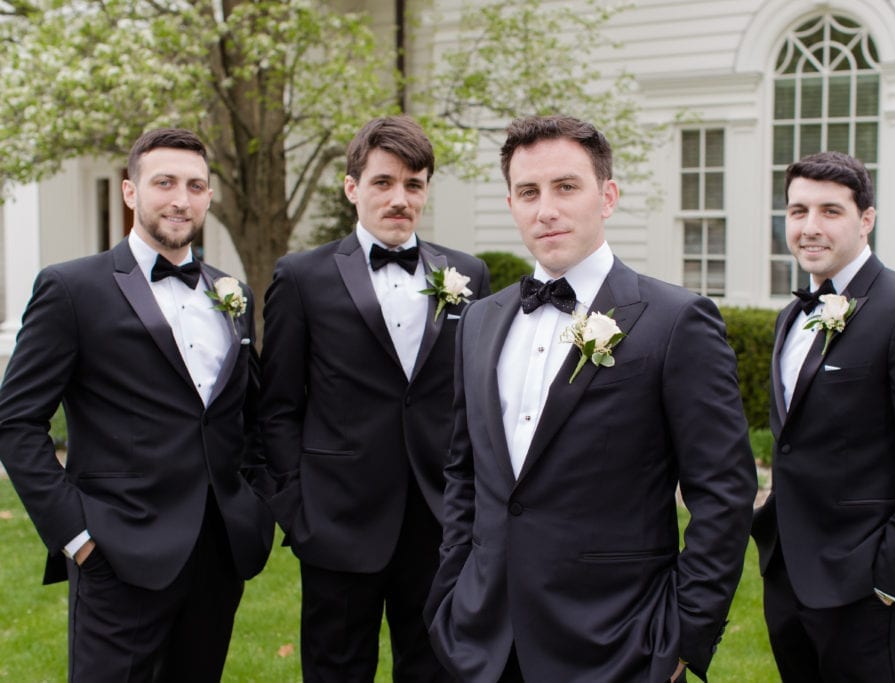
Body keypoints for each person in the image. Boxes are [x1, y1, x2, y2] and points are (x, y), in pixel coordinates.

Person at [424, 115, 757, 682]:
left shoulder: (677, 322)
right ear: (510, 203)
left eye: (566, 187)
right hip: (483, 640)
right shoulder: (481, 320)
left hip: (619, 643)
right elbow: (466, 471)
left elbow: (724, 491)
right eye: (528, 192)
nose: (545, 208)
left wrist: (682, 636)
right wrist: (453, 590)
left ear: (607, 196)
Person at [0, 128, 274, 681]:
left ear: (208, 197)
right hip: (115, 556)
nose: (181, 198)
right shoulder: (72, 288)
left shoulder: (230, 292)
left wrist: (257, 503)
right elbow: (15, 422)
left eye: (196, 185)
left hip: (217, 556)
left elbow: (249, 417)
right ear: (130, 192)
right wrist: (77, 538)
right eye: (164, 182)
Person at [259, 115, 490, 681]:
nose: (399, 199)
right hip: (336, 523)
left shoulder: (468, 274)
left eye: (414, 185)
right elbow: (277, 408)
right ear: (351, 188)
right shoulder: (301, 277)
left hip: (440, 522)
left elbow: (477, 401)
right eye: (384, 182)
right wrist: (298, 511)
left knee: (436, 669)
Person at [751, 151, 895, 682]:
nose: (809, 227)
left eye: (830, 211)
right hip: (791, 576)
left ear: (865, 219)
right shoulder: (792, 315)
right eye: (798, 211)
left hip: (869, 589)